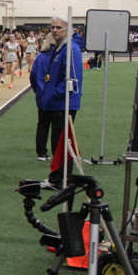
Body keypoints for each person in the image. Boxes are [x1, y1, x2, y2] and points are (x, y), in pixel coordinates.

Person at [37, 16, 83, 187]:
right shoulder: (58, 49)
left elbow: (71, 80)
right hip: (55, 104)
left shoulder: (71, 50)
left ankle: (61, 180)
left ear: (67, 30)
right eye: (53, 27)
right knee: (58, 144)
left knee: (62, 144)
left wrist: (51, 95)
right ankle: (59, 179)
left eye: (59, 27)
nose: (55, 30)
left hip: (64, 104)